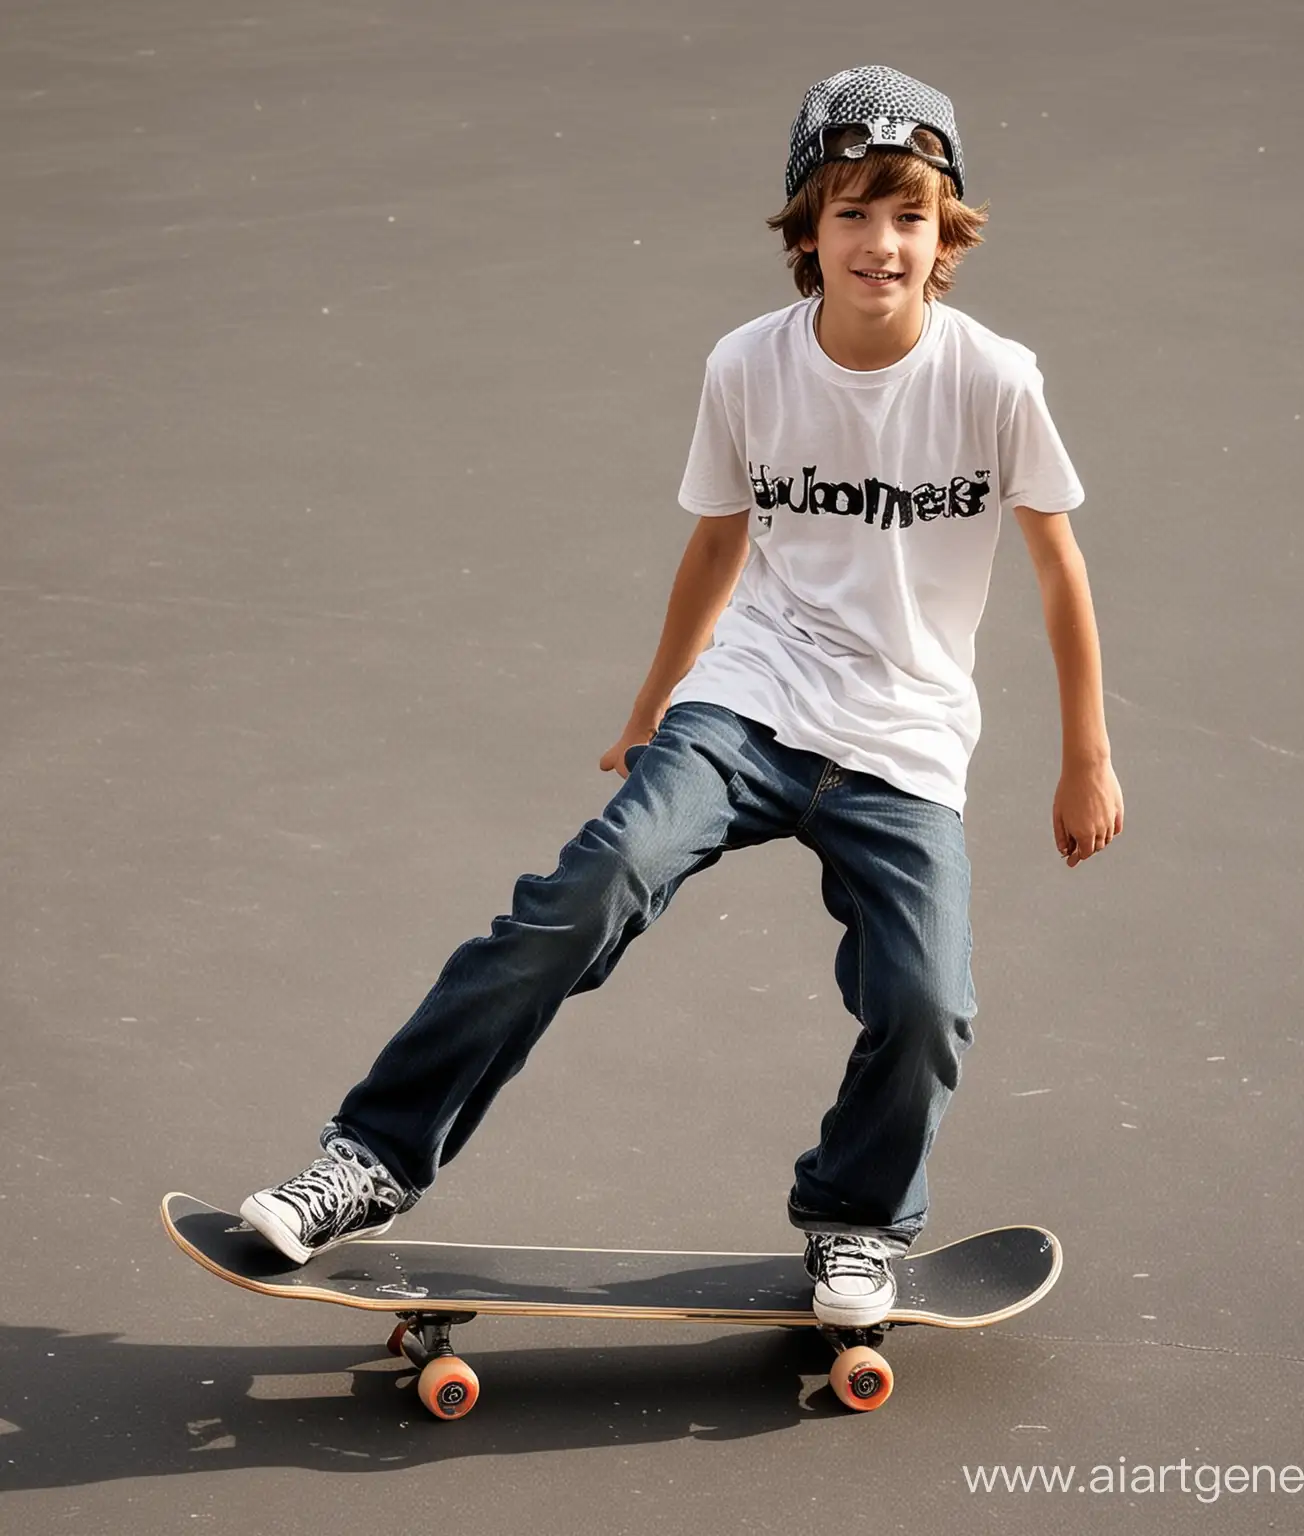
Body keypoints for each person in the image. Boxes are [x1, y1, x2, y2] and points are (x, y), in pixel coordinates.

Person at [240, 64, 1124, 1330]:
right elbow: (717, 544)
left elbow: (1057, 561)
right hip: (749, 705)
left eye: (912, 217)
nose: (884, 244)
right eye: (855, 214)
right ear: (806, 229)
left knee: (929, 1004)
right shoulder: (749, 367)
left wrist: (1085, 757)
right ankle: (367, 1160)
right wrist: (659, 703)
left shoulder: (995, 381)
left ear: (948, 236)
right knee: (580, 898)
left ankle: (858, 1221)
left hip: (904, 740)